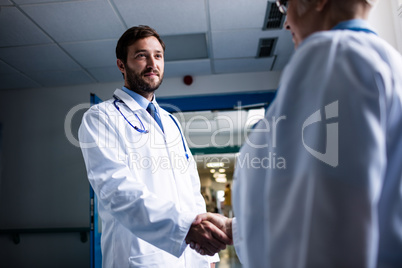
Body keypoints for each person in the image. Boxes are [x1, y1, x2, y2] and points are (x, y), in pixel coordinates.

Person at [191, 0, 402, 267]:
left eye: (284, 5)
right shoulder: (384, 60)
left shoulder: (334, 56)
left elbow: (327, 226)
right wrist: (238, 229)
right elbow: (331, 202)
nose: (286, 21)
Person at [78, 25, 231, 268]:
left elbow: (191, 189)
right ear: (121, 65)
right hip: (141, 257)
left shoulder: (170, 121)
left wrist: (208, 257)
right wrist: (184, 229)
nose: (152, 63)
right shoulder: (101, 117)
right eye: (141, 55)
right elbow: (116, 190)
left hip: (191, 258)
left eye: (158, 55)